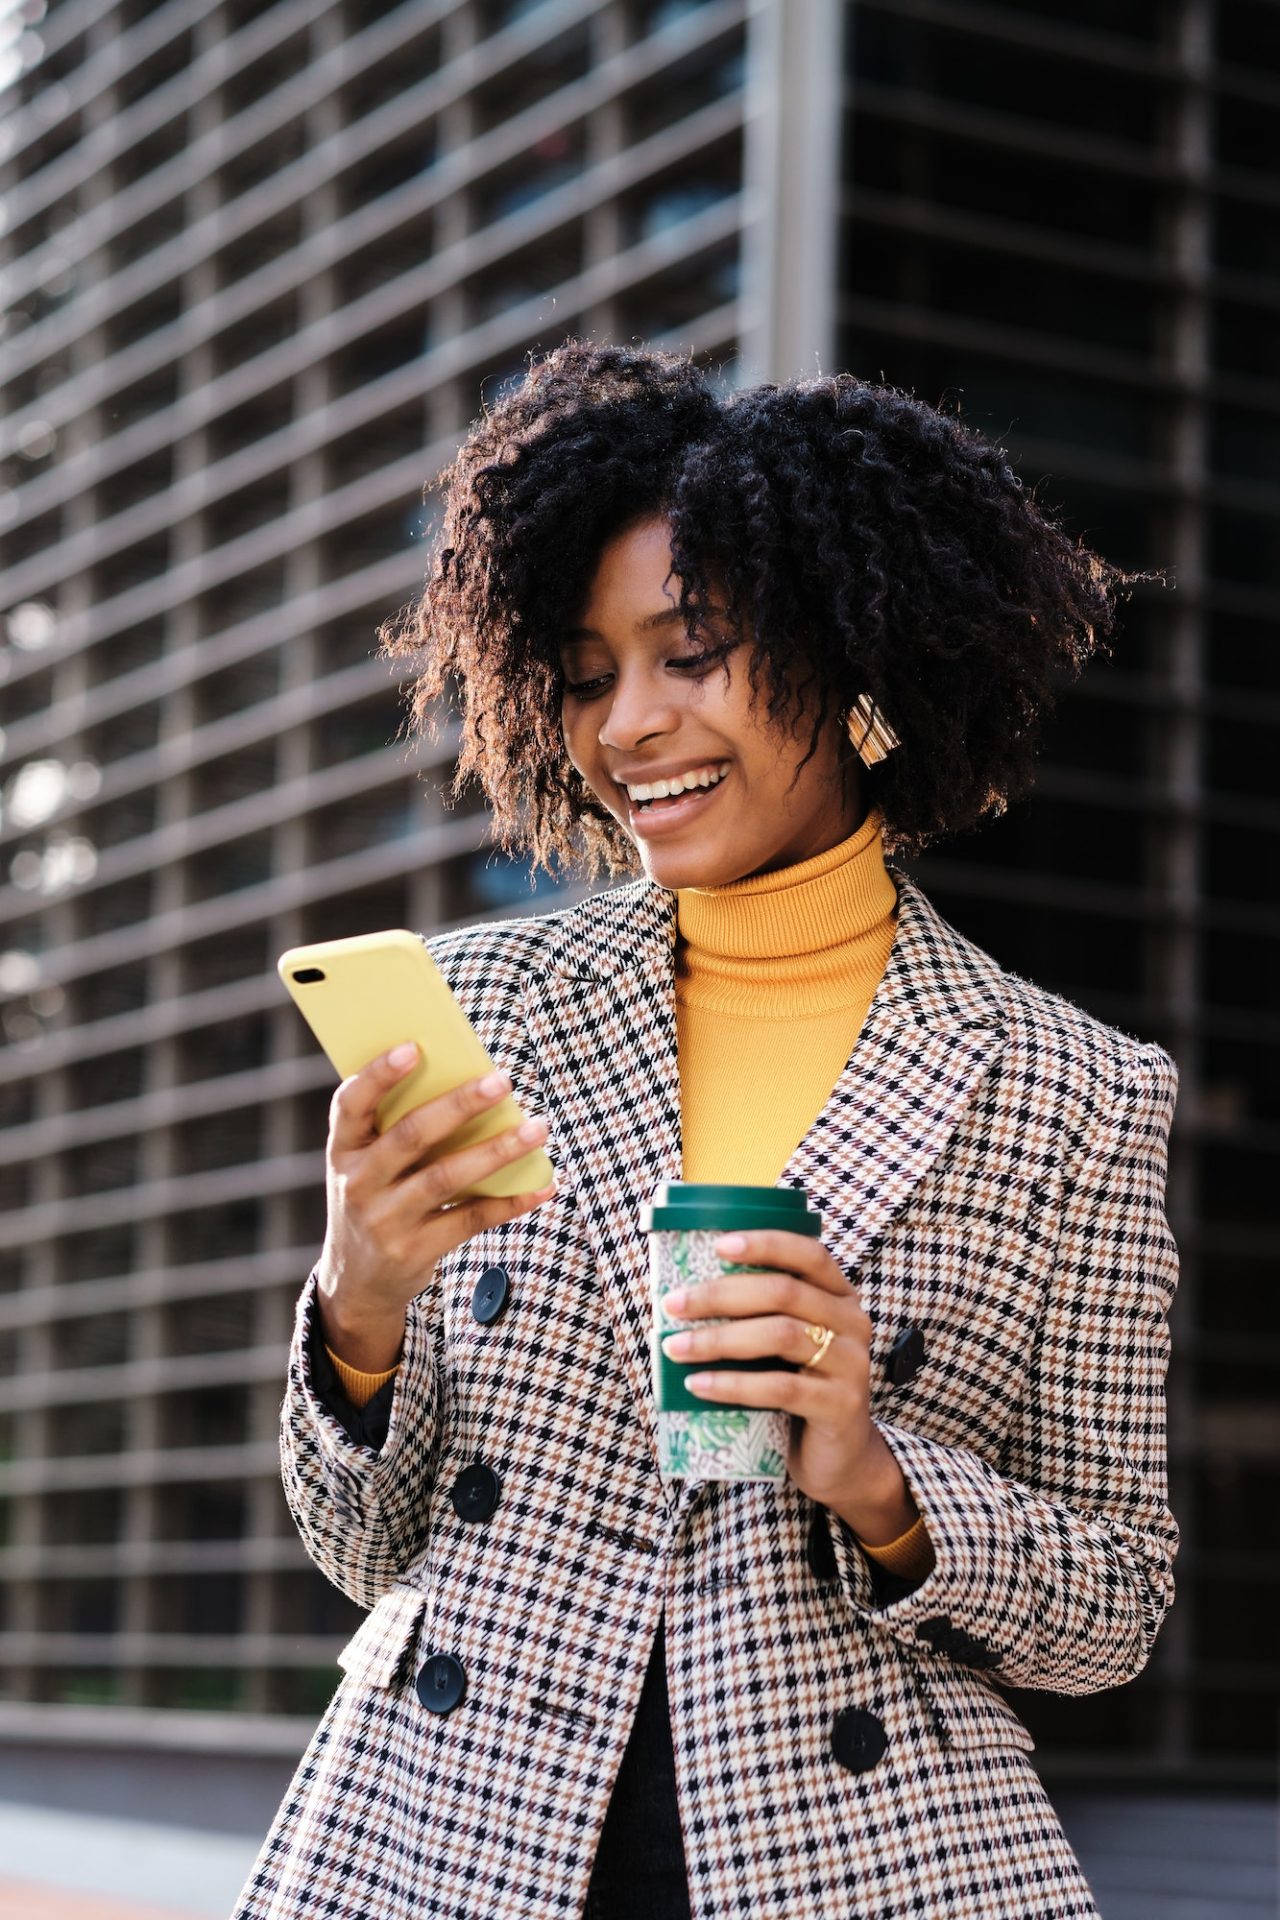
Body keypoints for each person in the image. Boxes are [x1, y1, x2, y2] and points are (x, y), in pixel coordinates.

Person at [233, 341, 1179, 1920]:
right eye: (591, 674)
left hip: (861, 1864)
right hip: (443, 1846)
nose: (628, 728)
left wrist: (879, 1477)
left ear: (863, 659)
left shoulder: (1069, 1087)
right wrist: (360, 1308)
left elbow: (1117, 1603)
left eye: (695, 652)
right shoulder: (487, 1012)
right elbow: (355, 1543)